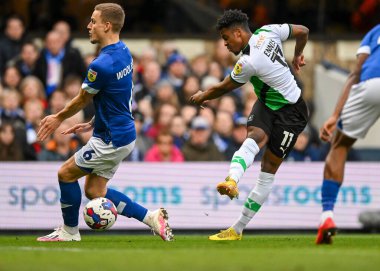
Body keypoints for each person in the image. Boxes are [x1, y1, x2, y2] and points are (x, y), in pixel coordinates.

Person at [36, 3, 174, 242]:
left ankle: (69, 232)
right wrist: (93, 121)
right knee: (94, 191)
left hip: (112, 138)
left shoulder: (101, 64)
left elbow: (82, 99)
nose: (89, 26)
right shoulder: (124, 52)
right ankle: (151, 217)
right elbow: (116, 96)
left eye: (93, 21)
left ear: (107, 25)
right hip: (120, 132)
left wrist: (58, 117)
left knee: (66, 173)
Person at [190, 9, 309, 240]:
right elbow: (303, 31)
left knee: (267, 169)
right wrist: (297, 55)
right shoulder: (269, 31)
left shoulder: (248, 61)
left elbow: (223, 87)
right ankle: (232, 180)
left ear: (238, 33)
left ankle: (238, 228)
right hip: (267, 102)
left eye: (226, 38)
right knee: (253, 136)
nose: (225, 44)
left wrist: (202, 96)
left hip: (291, 112)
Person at [316, 24, 380, 245]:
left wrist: (335, 115)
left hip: (371, 84)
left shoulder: (374, 31)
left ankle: (327, 217)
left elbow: (356, 72)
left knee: (339, 145)